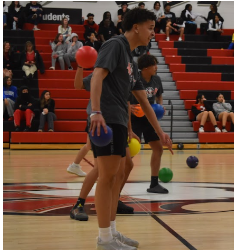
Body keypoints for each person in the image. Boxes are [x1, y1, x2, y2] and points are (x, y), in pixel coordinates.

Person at [89, 7, 172, 249]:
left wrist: (160, 133)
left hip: (117, 120)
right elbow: (96, 75)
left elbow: (144, 101)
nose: (152, 34)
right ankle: (104, 239)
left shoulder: (130, 59)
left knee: (119, 173)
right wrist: (95, 112)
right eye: (150, 28)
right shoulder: (115, 45)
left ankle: (111, 232)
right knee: (107, 178)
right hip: (105, 119)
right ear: (136, 27)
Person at [68, 67, 137, 216]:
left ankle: (114, 199)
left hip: (119, 123)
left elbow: (127, 104)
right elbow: (78, 85)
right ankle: (78, 204)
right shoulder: (101, 71)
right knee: (100, 168)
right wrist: (80, 66)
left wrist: (129, 129)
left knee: (128, 164)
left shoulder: (125, 74)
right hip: (102, 123)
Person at [130, 54, 170, 193]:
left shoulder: (157, 79)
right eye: (154, 64)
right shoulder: (135, 79)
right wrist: (128, 107)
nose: (156, 67)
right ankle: (115, 179)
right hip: (133, 118)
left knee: (158, 148)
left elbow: (159, 96)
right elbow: (123, 96)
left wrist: (160, 106)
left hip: (149, 117)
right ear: (146, 67)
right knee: (131, 152)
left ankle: (154, 184)